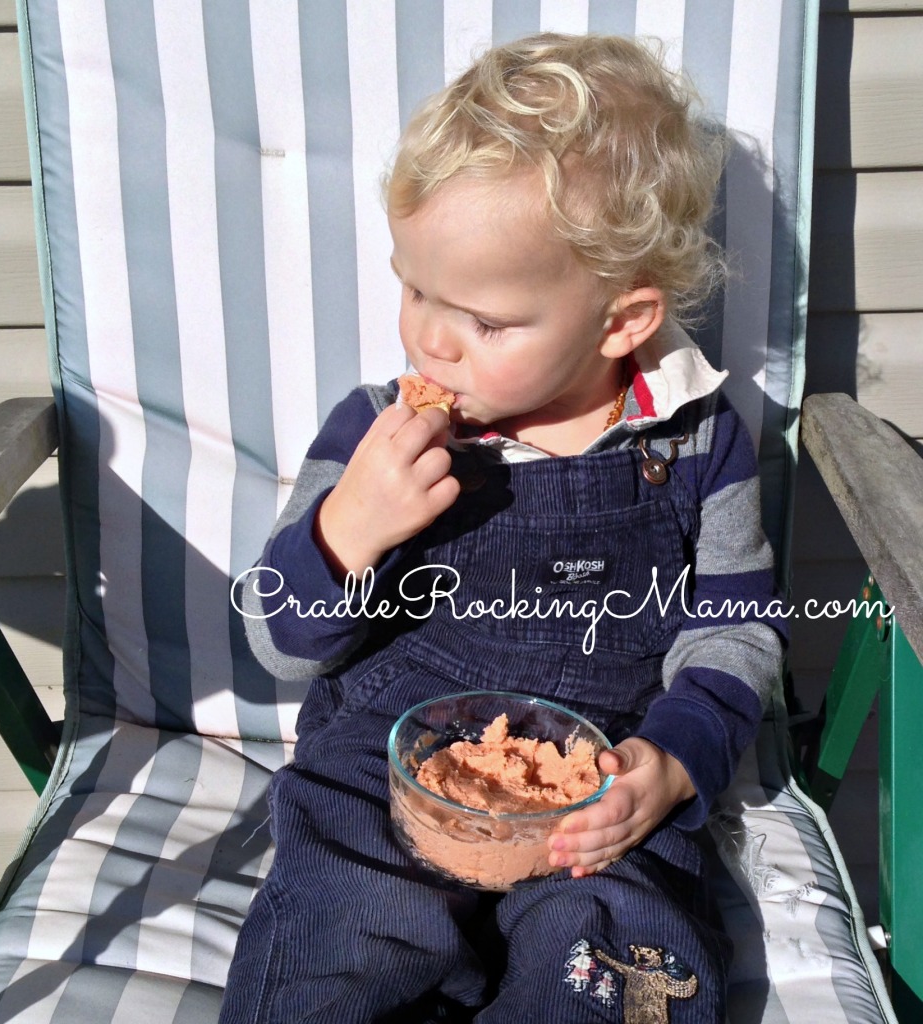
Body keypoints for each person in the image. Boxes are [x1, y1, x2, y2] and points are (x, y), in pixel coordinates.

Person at [220, 33, 785, 1024]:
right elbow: (276, 640)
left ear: (618, 321)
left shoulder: (699, 439)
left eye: (482, 320)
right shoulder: (377, 430)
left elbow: (732, 627)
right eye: (414, 288)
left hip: (599, 779)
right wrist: (346, 530)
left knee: (615, 953)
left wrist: (674, 763)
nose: (428, 338)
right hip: (386, 775)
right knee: (337, 926)